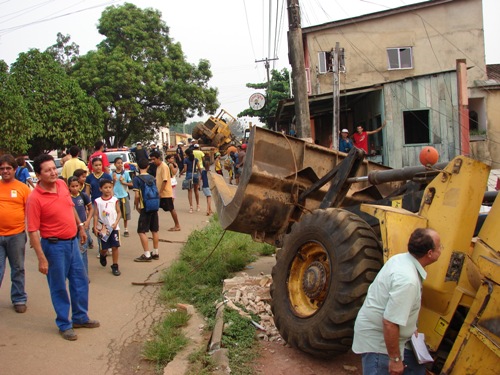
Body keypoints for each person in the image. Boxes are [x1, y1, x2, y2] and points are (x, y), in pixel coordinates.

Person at [26, 154, 99, 341]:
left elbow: (70, 207)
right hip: (53, 246)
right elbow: (33, 231)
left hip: (72, 242)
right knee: (58, 286)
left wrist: (80, 227)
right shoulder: (35, 198)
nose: (52, 172)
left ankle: (80, 317)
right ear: (39, 175)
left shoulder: (61, 184)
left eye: (53, 168)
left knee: (80, 280)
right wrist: (42, 258)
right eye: (47, 170)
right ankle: (64, 324)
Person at [352, 228, 442, 375]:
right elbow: (389, 322)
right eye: (440, 247)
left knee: (416, 370)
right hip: (379, 343)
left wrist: (410, 324)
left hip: (396, 337)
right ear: (430, 253)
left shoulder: (402, 259)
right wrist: (395, 360)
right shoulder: (407, 281)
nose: (441, 249)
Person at [0, 154, 31, 313]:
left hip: (16, 235)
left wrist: (33, 235)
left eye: (8, 168)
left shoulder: (22, 188)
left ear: (14, 169)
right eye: (2, 168)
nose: (5, 171)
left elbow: (30, 213)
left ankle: (19, 298)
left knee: (17, 268)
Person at [133, 158, 159, 262]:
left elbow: (136, 195)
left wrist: (137, 205)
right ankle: (156, 252)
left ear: (138, 167)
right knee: (154, 230)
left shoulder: (137, 179)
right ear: (147, 166)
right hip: (154, 206)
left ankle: (147, 254)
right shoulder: (152, 178)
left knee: (141, 231)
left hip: (145, 207)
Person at [93, 179, 121, 276]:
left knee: (115, 246)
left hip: (114, 228)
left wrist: (116, 222)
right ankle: (103, 255)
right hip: (103, 229)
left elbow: (119, 212)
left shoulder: (114, 200)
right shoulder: (98, 201)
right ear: (101, 189)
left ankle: (115, 265)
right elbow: (96, 214)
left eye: (110, 187)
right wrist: (95, 227)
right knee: (104, 248)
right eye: (105, 188)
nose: (108, 190)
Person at [68, 176, 93, 277]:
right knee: (73, 252)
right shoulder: (67, 198)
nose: (75, 188)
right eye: (72, 186)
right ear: (68, 187)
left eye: (76, 186)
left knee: (83, 251)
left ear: (80, 186)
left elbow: (91, 209)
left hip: (83, 227)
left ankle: (84, 276)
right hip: (71, 228)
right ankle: (75, 274)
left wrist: (87, 220)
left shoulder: (83, 196)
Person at [151, 151, 181, 232]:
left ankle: (177, 225)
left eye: (154, 159)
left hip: (165, 193)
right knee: (154, 208)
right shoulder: (158, 167)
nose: (153, 161)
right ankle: (153, 225)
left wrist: (160, 192)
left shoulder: (164, 166)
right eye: (151, 160)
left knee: (171, 208)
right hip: (159, 192)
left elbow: (164, 180)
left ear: (158, 158)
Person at [112, 157, 133, 237]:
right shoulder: (112, 173)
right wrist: (114, 180)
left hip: (124, 195)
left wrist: (123, 182)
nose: (120, 164)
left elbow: (131, 184)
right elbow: (110, 185)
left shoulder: (126, 173)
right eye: (118, 163)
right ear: (114, 164)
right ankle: (116, 228)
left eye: (121, 163)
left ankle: (126, 229)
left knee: (125, 213)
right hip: (115, 197)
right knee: (115, 213)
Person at [180, 148, 201, 213]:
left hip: (189, 175)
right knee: (196, 190)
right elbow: (199, 168)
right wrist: (201, 175)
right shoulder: (196, 160)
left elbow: (185, 169)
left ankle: (191, 207)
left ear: (187, 154)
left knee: (190, 191)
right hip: (195, 175)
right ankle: (198, 206)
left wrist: (181, 172)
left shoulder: (186, 160)